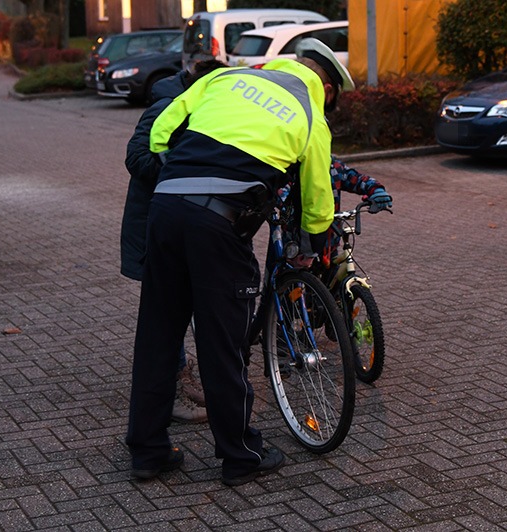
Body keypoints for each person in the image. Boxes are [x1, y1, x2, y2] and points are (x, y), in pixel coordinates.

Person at [126, 39, 354, 486]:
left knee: (157, 333)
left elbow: (162, 127)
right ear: (325, 87)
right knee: (223, 342)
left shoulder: (225, 76)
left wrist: (176, 168)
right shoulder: (309, 112)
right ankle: (240, 455)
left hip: (166, 208)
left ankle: (148, 452)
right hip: (220, 225)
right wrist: (310, 246)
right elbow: (318, 198)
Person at [121, 60, 227, 424]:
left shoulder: (204, 108)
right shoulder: (166, 106)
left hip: (183, 222)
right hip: (154, 224)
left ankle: (181, 377)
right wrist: (181, 163)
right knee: (166, 312)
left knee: (184, 305)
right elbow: (136, 158)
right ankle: (172, 391)